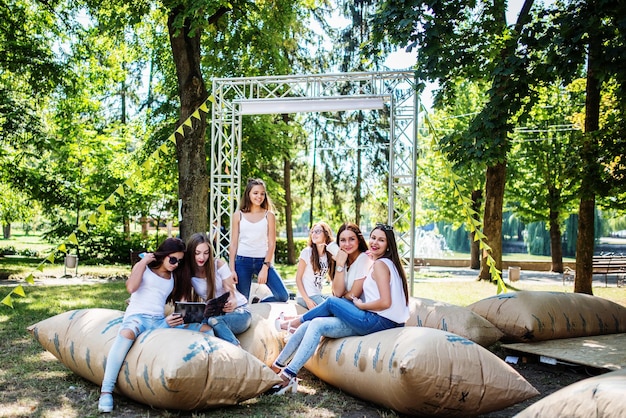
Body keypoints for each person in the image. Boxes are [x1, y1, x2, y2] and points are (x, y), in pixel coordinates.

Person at [269, 223, 409, 395]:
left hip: (379, 321)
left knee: (332, 302)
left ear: (389, 244)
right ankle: (278, 367)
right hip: (375, 319)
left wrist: (361, 305)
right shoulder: (382, 262)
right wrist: (341, 265)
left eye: (381, 240)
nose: (375, 242)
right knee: (314, 324)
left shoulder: (378, 264)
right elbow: (340, 292)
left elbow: (385, 302)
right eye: (373, 237)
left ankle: (292, 329)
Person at [98, 237, 198, 413]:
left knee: (201, 328)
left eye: (179, 261)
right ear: (164, 255)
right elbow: (131, 288)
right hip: (137, 317)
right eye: (172, 259)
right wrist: (143, 261)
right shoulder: (144, 267)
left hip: (159, 322)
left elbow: (183, 306)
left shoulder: (175, 276)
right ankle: (106, 391)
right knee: (127, 333)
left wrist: (178, 317)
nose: (175, 264)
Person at [171, 232, 251, 346]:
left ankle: (236, 348)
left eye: (206, 253)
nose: (201, 257)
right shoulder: (187, 272)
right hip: (213, 314)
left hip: (239, 311)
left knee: (214, 321)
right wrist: (183, 313)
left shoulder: (218, 265)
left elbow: (230, 290)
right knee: (198, 325)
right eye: (197, 253)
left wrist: (233, 301)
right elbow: (183, 300)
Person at [229, 178, 288, 302]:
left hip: (263, 261)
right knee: (242, 301)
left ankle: (259, 303)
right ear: (248, 194)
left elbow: (272, 244)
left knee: (282, 296)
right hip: (242, 261)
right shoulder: (238, 215)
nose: (259, 196)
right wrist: (232, 269)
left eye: (262, 193)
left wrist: (265, 267)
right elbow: (233, 244)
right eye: (255, 193)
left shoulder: (269, 215)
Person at [294, 222, 336, 310]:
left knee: (338, 304)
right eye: (312, 232)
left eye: (317, 231)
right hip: (307, 296)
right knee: (332, 310)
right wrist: (307, 300)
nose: (314, 234)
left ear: (326, 234)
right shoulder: (307, 252)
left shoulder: (328, 255)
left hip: (317, 294)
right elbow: (298, 278)